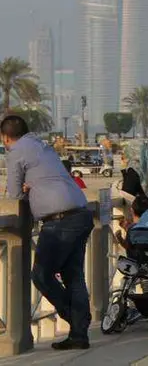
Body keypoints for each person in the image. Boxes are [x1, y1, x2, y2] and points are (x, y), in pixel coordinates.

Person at [2, 115, 93, 350]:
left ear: (5, 138)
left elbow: (13, 195)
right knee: (74, 276)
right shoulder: (42, 145)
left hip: (59, 222)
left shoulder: (16, 152)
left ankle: (76, 321)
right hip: (81, 213)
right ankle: (79, 335)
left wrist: (23, 190)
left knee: (41, 275)